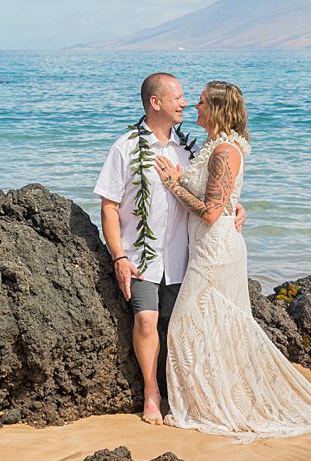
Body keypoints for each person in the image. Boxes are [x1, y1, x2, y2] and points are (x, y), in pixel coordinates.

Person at [153, 80, 311, 440]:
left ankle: (216, 403)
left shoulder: (225, 152)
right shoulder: (212, 146)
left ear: (217, 109)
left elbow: (210, 212)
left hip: (216, 250)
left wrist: (174, 184)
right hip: (206, 247)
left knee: (189, 323)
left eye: (201, 102)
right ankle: (212, 398)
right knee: (208, 325)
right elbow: (223, 200)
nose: (193, 107)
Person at [94, 73, 245, 425]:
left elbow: (214, 192)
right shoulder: (126, 147)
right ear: (155, 103)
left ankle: (188, 395)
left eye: (188, 98)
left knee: (184, 328)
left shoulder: (191, 149)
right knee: (146, 320)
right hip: (141, 256)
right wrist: (118, 256)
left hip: (186, 258)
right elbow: (109, 207)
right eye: (176, 97)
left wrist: (234, 206)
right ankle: (151, 392)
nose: (185, 103)